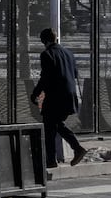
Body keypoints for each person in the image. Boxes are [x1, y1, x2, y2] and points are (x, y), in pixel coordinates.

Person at [32, 27, 86, 168]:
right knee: (54, 125)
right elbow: (74, 73)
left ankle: (64, 154)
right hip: (69, 95)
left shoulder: (47, 54)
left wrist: (36, 93)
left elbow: (46, 77)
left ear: (44, 40)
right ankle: (56, 157)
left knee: (50, 127)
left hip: (55, 97)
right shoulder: (68, 53)